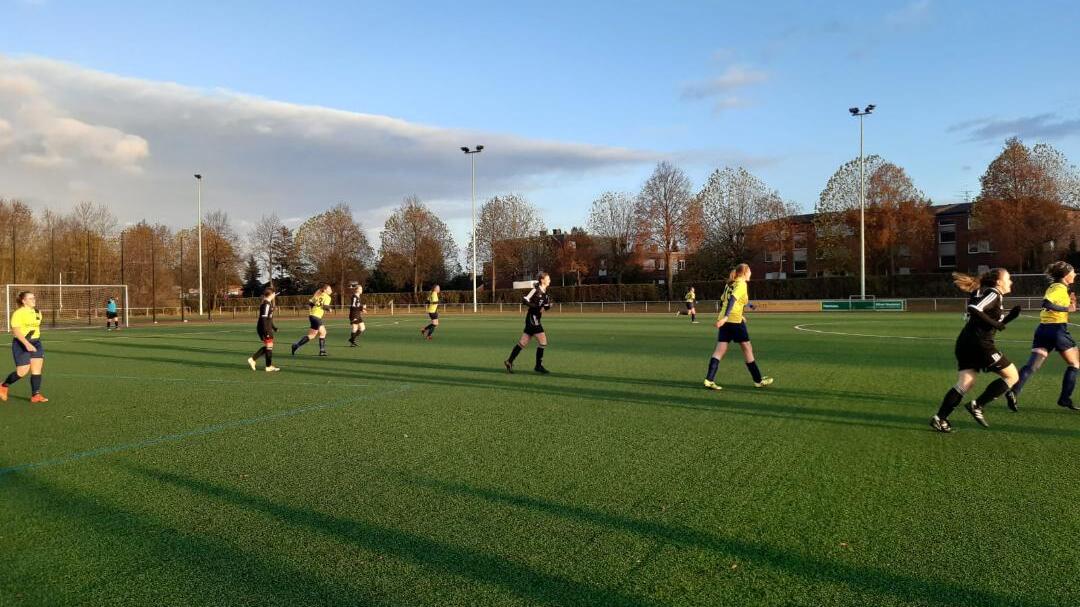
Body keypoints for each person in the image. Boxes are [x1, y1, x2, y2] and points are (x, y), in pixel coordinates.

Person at [930, 269, 1022, 433]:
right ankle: (978, 405)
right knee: (1012, 376)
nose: (1011, 282)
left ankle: (940, 418)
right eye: (1008, 278)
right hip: (979, 344)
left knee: (965, 383)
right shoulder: (993, 293)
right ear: (998, 282)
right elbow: (974, 308)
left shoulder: (993, 295)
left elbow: (991, 323)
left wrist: (1009, 318)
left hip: (966, 342)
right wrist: (997, 324)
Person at [1011, 261, 1080, 411]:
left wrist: (1070, 304)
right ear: (1066, 275)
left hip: (1043, 330)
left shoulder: (1057, 287)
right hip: (1057, 330)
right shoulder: (1059, 288)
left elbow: (1055, 305)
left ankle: (1013, 392)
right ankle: (1065, 399)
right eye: (1073, 272)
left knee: (1032, 366)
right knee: (1075, 364)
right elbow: (1046, 304)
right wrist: (1067, 308)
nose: (1075, 274)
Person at [703, 263, 773, 391]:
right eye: (750, 271)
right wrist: (728, 316)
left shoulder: (730, 283)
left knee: (720, 350)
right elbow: (732, 300)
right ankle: (758, 380)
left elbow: (727, 301)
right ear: (745, 272)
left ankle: (709, 379)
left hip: (726, 321)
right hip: (734, 321)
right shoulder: (741, 284)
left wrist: (748, 307)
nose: (751, 273)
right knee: (747, 348)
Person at [0, 291, 48, 403]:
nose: (33, 300)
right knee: (22, 372)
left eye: (34, 297)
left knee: (37, 369)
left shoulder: (38, 312)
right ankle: (3, 385)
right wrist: (27, 344)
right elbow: (16, 331)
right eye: (30, 298)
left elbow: (35, 328)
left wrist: (34, 342)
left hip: (36, 343)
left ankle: (35, 395)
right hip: (21, 343)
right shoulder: (18, 313)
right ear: (24, 301)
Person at [504, 273, 553, 374]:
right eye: (548, 279)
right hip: (532, 319)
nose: (549, 280)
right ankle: (538, 366)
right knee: (543, 342)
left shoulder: (546, 295)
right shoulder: (535, 290)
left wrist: (548, 306)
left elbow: (543, 308)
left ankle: (509, 361)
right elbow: (524, 300)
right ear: (542, 280)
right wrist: (535, 306)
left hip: (536, 319)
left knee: (523, 342)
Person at [291, 284, 332, 356]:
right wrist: (329, 309)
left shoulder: (318, 294)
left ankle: (296, 345)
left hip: (312, 316)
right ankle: (322, 351)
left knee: (313, 335)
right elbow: (325, 306)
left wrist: (313, 308)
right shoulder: (327, 297)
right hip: (316, 317)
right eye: (330, 289)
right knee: (321, 333)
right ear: (325, 290)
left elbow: (310, 303)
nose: (331, 290)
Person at [247, 287, 281, 372]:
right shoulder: (266, 304)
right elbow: (263, 319)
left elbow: (269, 319)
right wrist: (266, 331)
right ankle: (255, 360)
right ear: (271, 294)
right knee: (269, 346)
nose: (275, 295)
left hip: (266, 327)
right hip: (264, 328)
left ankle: (266, 365)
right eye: (274, 293)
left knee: (269, 347)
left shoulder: (268, 304)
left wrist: (274, 327)